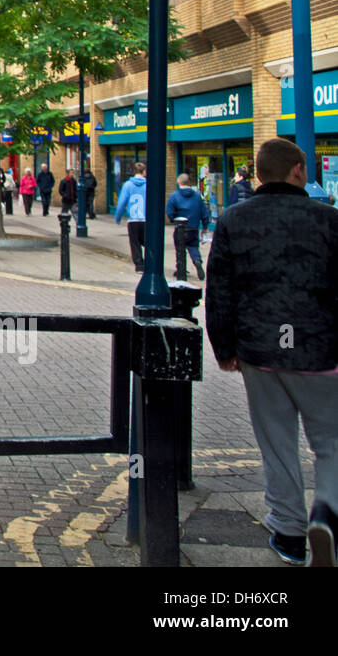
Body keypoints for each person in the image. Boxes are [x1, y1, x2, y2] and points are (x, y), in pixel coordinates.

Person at [205, 138, 338, 567]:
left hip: (259, 349)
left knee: (276, 443)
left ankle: (289, 533)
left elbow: (219, 290)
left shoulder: (233, 219)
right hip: (319, 350)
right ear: (298, 170)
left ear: (260, 173)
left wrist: (223, 346)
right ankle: (327, 515)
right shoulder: (329, 219)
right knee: (332, 443)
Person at [166, 172, 212, 280]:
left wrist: (173, 220)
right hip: (193, 228)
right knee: (193, 247)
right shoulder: (197, 196)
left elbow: (169, 212)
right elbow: (204, 212)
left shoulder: (174, 196)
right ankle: (197, 261)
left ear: (178, 182)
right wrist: (205, 226)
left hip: (180, 227)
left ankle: (181, 270)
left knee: (180, 250)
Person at [114, 162, 148, 272]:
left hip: (133, 220)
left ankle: (139, 266)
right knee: (148, 242)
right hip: (146, 219)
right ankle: (150, 263)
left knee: (135, 243)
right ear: (144, 172)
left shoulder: (127, 185)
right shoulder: (148, 185)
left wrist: (118, 217)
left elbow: (121, 203)